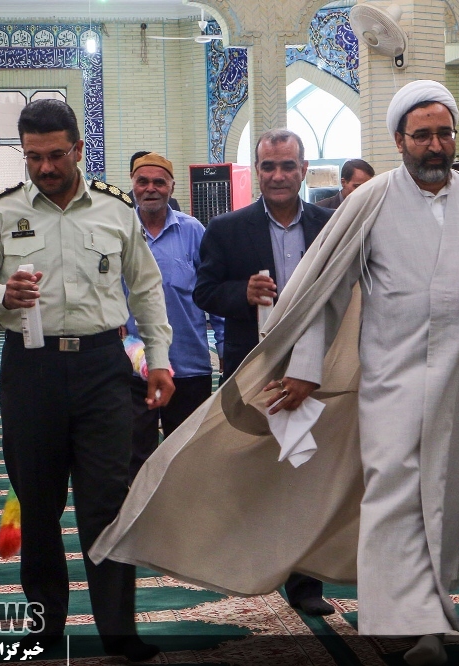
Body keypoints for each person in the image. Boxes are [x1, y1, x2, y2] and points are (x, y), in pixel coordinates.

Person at [89, 80, 459, 666]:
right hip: (391, 380)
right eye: (422, 135)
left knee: (450, 497)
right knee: (393, 496)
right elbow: (327, 293)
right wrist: (304, 372)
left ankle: (433, 605)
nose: (435, 145)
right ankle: (402, 620)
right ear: (399, 140)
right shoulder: (370, 201)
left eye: (444, 133)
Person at [0, 99, 173, 659]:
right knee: (37, 502)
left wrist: (159, 359)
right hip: (31, 370)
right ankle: (45, 627)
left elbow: (145, 288)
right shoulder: (0, 213)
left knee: (107, 502)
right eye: (33, 157)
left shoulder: (114, 209)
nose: (45, 167)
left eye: (55, 155)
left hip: (103, 369)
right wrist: (1, 294)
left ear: (78, 149)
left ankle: (119, 632)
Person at [193, 128, 335, 615]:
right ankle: (252, 566)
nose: (278, 175)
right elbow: (205, 291)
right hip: (253, 368)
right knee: (256, 471)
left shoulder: (329, 225)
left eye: (288, 166)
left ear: (303, 169)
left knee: (307, 474)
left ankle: (306, 583)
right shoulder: (227, 229)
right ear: (257, 171)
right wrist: (243, 293)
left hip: (316, 370)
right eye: (269, 166)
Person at [126, 152, 225, 479]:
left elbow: (213, 293)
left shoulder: (193, 231)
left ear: (171, 187)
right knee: (133, 459)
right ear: (133, 185)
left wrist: (224, 348)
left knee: (188, 460)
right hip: (132, 370)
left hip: (188, 367)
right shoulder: (119, 230)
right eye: (143, 181)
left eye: (159, 182)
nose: (150, 188)